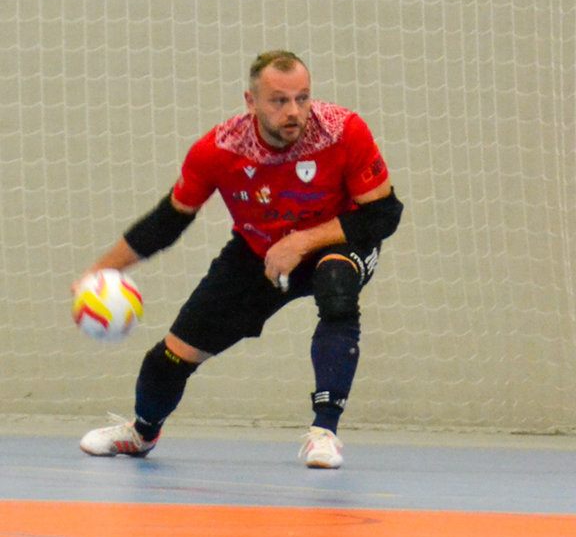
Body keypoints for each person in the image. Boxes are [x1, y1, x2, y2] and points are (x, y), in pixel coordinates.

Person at [77, 51, 403, 469]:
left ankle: (324, 432)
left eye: (302, 98)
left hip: (337, 241)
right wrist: (101, 270)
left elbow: (383, 214)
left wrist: (302, 242)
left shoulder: (343, 131)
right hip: (258, 252)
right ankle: (141, 433)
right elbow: (169, 220)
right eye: (279, 100)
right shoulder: (219, 150)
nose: (294, 111)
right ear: (251, 102)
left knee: (336, 284)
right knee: (169, 359)